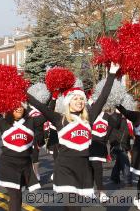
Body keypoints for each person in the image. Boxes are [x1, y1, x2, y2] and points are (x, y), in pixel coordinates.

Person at [28, 63, 119, 211]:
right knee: (73, 207)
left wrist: (112, 73)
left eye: (81, 99)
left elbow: (103, 97)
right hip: (65, 169)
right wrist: (17, 90)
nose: (79, 102)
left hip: (83, 169)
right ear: (68, 102)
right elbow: (39, 105)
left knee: (73, 208)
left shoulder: (89, 118)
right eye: (75, 99)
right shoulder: (59, 119)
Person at [0, 105, 44, 211]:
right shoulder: (3, 122)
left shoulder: (31, 121)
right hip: (8, 166)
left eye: (21, 106)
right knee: (15, 196)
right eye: (15, 106)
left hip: (25, 166)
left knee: (18, 195)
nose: (19, 108)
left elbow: (48, 114)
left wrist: (50, 97)